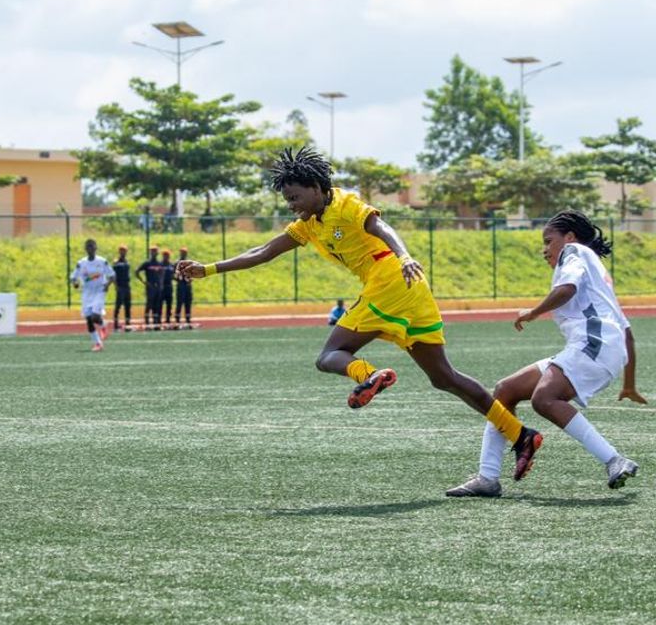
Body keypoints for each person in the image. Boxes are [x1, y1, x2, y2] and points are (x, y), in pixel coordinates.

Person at [176, 146, 542, 462]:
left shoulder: (345, 204)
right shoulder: (309, 223)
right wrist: (208, 269)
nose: (292, 205)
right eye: (287, 200)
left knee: (329, 356)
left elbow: (380, 227)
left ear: (317, 188)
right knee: (444, 377)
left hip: (391, 279)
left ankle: (369, 375)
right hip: (410, 289)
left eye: (295, 197)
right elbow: (264, 251)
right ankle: (520, 434)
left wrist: (404, 255)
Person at [446, 210, 645, 498]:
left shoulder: (574, 252)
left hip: (594, 344)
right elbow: (627, 333)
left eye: (548, 241)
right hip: (597, 347)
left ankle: (614, 459)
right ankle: (487, 478)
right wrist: (629, 384)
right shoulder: (597, 274)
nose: (545, 249)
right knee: (505, 390)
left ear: (570, 237)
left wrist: (533, 312)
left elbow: (567, 289)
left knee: (545, 398)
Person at [70, 238, 114, 352]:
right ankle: (98, 343)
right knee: (89, 320)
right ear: (85, 249)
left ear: (96, 248)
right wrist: (75, 283)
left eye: (92, 246)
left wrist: (107, 285)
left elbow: (112, 275)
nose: (90, 249)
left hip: (99, 291)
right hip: (87, 293)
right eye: (88, 247)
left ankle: (103, 325)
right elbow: (73, 277)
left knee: (95, 316)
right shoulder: (81, 263)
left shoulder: (102, 261)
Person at [136, 245, 163, 329]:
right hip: (150, 287)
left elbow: (161, 274)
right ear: (150, 253)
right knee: (149, 304)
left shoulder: (159, 263)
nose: (154, 253)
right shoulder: (147, 263)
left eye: (155, 251)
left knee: (156, 305)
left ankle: (155, 323)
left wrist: (160, 283)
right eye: (152, 251)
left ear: (157, 253)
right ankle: (147, 323)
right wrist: (144, 281)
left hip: (157, 287)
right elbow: (137, 271)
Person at [112, 243, 132, 332]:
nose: (123, 252)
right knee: (118, 305)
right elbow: (113, 275)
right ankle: (116, 324)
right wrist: (116, 286)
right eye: (121, 251)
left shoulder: (127, 262)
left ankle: (128, 323)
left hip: (127, 286)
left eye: (124, 251)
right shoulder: (117, 262)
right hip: (120, 286)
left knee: (128, 305)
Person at [174, 246, 194, 327]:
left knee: (188, 301)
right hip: (181, 284)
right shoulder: (177, 263)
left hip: (188, 285)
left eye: (185, 253)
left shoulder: (189, 263)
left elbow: (193, 273)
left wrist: (191, 279)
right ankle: (177, 319)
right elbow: (173, 273)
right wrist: (177, 279)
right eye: (182, 252)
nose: (183, 254)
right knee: (179, 301)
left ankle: (188, 318)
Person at [158, 248, 175, 324]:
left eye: (167, 255)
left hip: (169, 286)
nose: (166, 256)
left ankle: (168, 319)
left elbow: (174, 275)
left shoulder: (171, 265)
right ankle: (158, 319)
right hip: (162, 287)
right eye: (164, 255)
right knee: (160, 303)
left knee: (169, 303)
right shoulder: (159, 265)